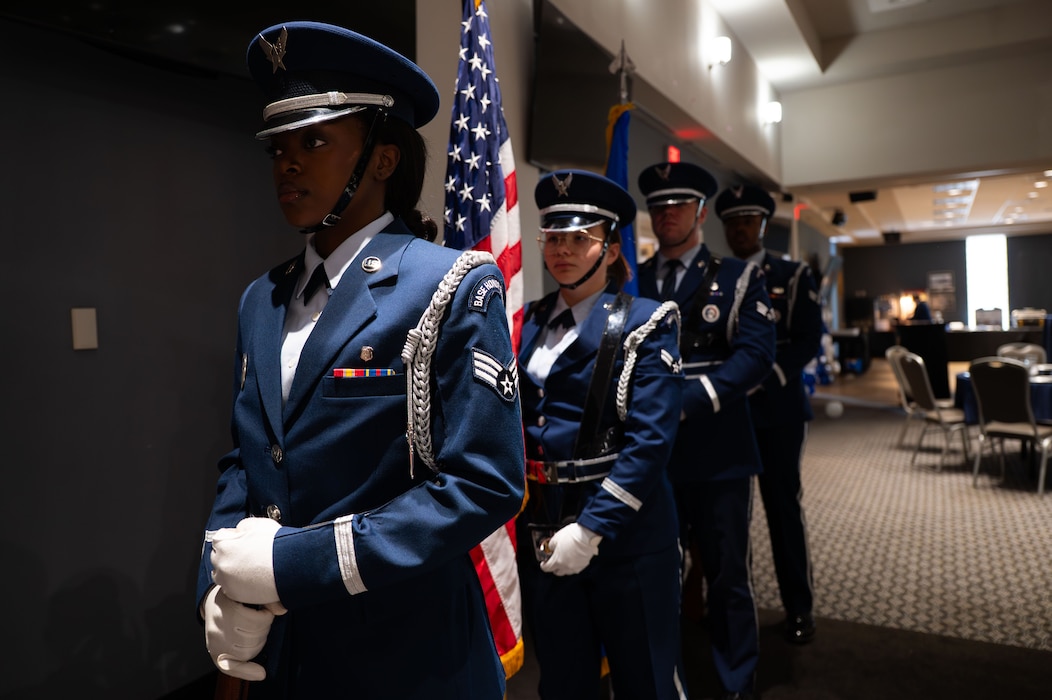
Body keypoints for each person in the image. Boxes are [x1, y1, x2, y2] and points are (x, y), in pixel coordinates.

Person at [196, 22, 525, 699]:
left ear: (383, 159)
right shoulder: (262, 297)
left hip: (408, 650)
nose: (287, 163)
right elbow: (249, 461)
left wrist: (296, 563)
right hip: (288, 654)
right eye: (279, 147)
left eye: (314, 141)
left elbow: (485, 482)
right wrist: (220, 584)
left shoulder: (453, 285)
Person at [517, 170, 687, 699]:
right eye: (554, 237)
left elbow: (650, 443)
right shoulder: (528, 320)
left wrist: (591, 529)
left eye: (580, 238)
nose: (562, 250)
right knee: (564, 682)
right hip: (545, 528)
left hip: (626, 537)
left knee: (645, 682)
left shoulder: (647, 321)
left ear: (611, 249)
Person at [636, 162, 775, 700]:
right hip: (651, 457)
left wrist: (687, 401)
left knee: (727, 577)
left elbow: (756, 356)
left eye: (678, 205)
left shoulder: (739, 277)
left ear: (698, 212)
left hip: (718, 452)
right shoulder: (634, 280)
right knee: (656, 575)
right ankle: (663, 680)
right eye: (658, 206)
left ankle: (735, 683)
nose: (666, 213)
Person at [716, 184, 824, 645]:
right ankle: (736, 611)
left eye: (748, 220)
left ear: (762, 225)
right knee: (729, 519)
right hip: (730, 414)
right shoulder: (716, 277)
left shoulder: (792, 274)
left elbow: (806, 341)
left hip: (778, 411)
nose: (740, 228)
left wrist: (767, 377)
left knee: (782, 511)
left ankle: (799, 607)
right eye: (732, 221)